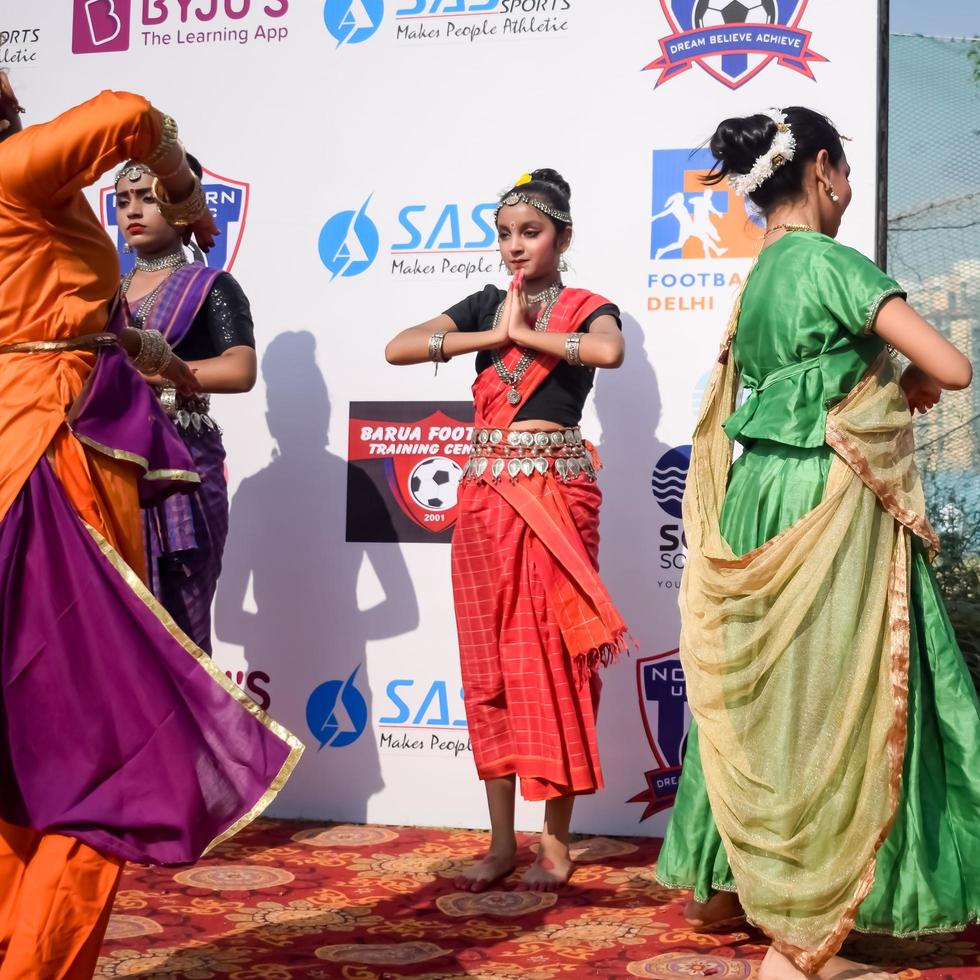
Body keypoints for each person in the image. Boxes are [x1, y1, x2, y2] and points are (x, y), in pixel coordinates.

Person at [655, 107, 979, 980]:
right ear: (826, 169)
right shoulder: (834, 265)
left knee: (766, 702)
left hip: (757, 498)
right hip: (829, 499)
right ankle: (804, 940)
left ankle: (729, 883)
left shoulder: (758, 276)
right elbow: (954, 368)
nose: (847, 191)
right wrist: (901, 373)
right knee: (838, 704)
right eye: (844, 175)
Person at [0, 78, 302, 979]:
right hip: (51, 472)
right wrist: (185, 190)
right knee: (108, 757)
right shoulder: (15, 172)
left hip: (28, 456)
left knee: (21, 750)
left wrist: (134, 348)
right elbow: (129, 112)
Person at [386, 169, 627, 892]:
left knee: (553, 659)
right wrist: (495, 333)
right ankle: (499, 843)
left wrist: (537, 337)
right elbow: (398, 347)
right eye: (505, 234)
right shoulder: (486, 304)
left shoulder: (590, 307)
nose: (515, 246)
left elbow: (611, 352)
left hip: (554, 496)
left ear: (564, 236)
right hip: (486, 500)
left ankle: (555, 842)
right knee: (488, 666)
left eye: (532, 232)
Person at [115, 157, 256, 653]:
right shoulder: (101, 295)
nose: (133, 210)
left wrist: (148, 370)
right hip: (110, 463)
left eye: (148, 197)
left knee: (180, 631)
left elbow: (239, 369)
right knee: (112, 622)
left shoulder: (210, 286)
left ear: (182, 205)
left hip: (183, 460)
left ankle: (184, 731)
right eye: (123, 201)